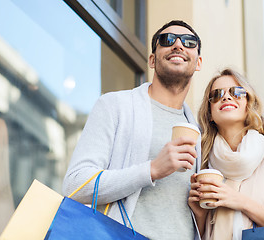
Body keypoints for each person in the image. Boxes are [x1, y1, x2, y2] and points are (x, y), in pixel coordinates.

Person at [63, 20, 203, 240]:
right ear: (152, 59)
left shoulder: (199, 132)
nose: (178, 45)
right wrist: (151, 170)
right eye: (167, 40)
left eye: (188, 42)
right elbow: (75, 184)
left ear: (198, 63)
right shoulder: (115, 106)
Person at [188, 68, 264, 239]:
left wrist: (241, 202)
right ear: (209, 113)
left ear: (249, 104)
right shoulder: (203, 164)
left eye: (237, 92)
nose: (226, 97)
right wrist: (200, 215)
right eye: (217, 94)